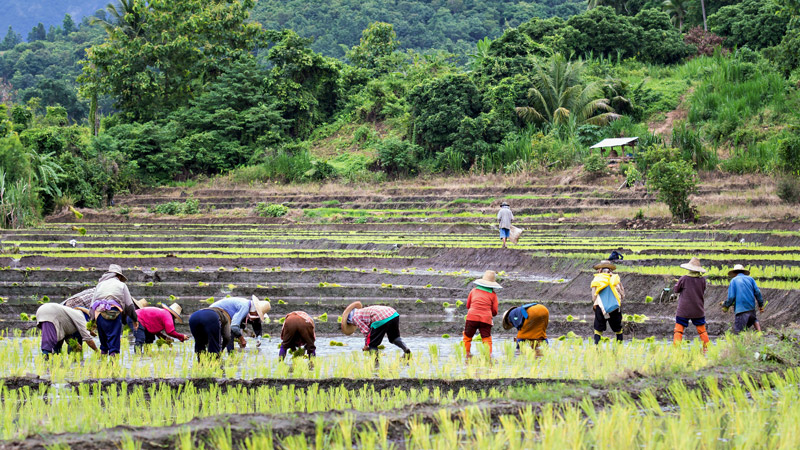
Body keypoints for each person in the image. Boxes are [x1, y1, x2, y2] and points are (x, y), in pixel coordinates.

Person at [89, 264, 138, 356]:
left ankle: (102, 365)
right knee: (114, 341)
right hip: (113, 313)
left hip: (99, 314)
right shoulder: (121, 285)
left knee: (104, 343)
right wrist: (134, 319)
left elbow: (92, 305)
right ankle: (113, 366)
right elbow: (129, 305)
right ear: (119, 276)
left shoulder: (100, 285)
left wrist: (91, 321)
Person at [342, 302, 411, 356]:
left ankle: (375, 363)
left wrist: (367, 345)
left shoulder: (355, 318)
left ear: (350, 320)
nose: (354, 325)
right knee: (394, 338)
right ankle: (406, 349)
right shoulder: (363, 311)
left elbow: (366, 332)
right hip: (393, 314)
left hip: (380, 318)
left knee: (372, 344)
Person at [672, 257, 710, 350]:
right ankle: (707, 349)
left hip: (684, 310)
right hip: (698, 309)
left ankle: (676, 350)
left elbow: (676, 290)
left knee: (679, 330)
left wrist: (677, 283)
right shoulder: (702, 280)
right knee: (702, 331)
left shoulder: (684, 278)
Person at [463, 270, 501, 357]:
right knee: (487, 339)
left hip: (472, 317)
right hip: (486, 319)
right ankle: (488, 357)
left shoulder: (473, 291)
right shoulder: (493, 294)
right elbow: (495, 311)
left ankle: (467, 355)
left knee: (467, 337)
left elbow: (468, 305)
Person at [590, 260, 625, 345]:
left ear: (600, 270)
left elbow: (594, 297)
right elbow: (622, 294)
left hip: (600, 306)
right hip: (614, 307)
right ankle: (619, 347)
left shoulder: (597, 279)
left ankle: (597, 347)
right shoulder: (615, 279)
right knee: (618, 328)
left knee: (598, 329)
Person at [722, 264, 764, 334]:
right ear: (743, 272)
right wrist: (761, 305)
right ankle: (760, 334)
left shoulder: (734, 281)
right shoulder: (751, 279)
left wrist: (726, 305)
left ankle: (741, 343)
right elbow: (757, 292)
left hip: (741, 311)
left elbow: (731, 297)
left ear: (735, 273)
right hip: (751, 309)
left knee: (738, 332)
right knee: (753, 319)